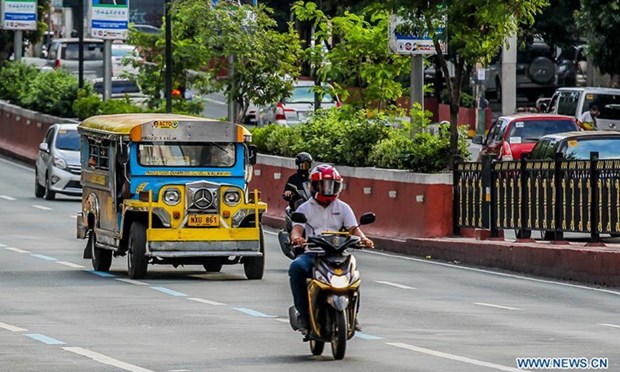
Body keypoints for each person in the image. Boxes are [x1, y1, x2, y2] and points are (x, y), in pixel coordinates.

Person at [289, 164, 374, 333]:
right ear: (314, 186)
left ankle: (353, 314)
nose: (328, 190)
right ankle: (304, 315)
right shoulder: (304, 208)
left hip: (338, 254)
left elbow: (353, 229)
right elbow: (297, 228)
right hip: (313, 254)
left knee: (354, 274)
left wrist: (364, 239)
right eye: (323, 185)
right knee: (296, 267)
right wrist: (296, 239)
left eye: (331, 186)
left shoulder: (343, 207)